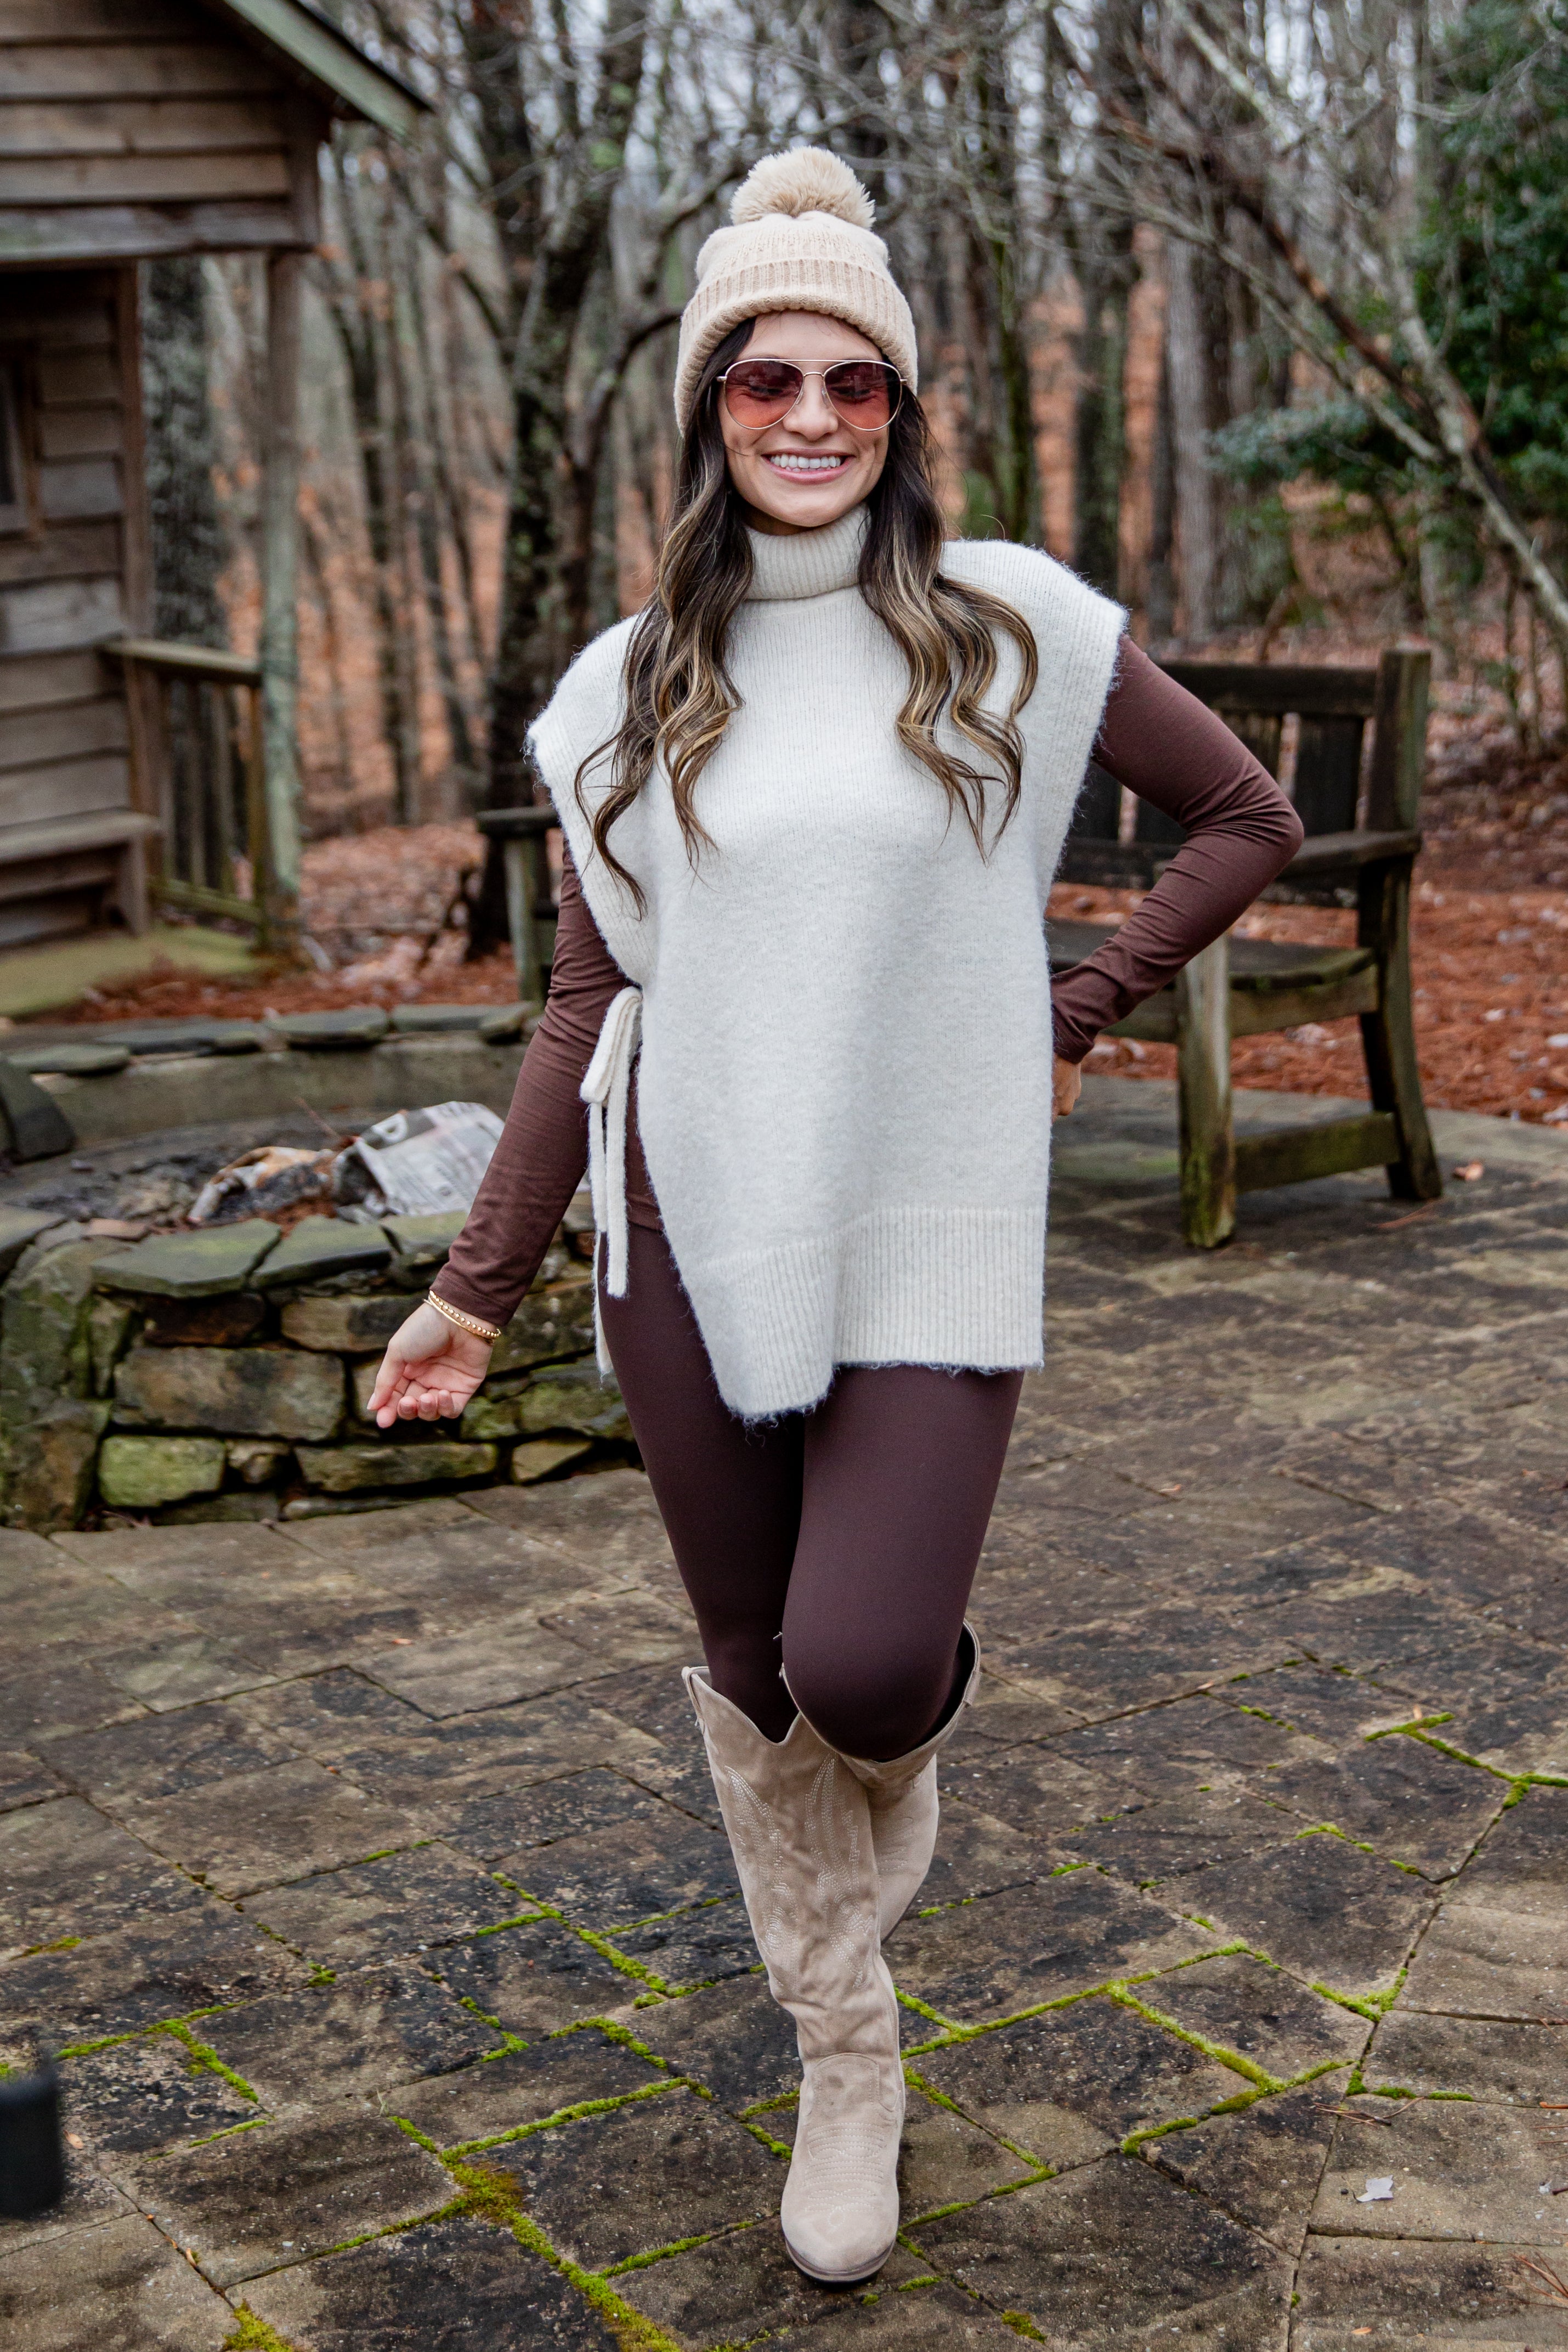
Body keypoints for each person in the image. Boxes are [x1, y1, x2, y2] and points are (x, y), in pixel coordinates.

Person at [367, 147, 1303, 2287]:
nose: (806, 414)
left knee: (861, 1673)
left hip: (921, 1227)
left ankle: (884, 1726)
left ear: (901, 408)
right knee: (744, 1667)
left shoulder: (1010, 628)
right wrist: (469, 1286)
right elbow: (584, 1000)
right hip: (682, 1227)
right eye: (760, 378)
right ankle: (845, 2052)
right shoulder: (623, 693)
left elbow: (1246, 816)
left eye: (850, 381)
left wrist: (1081, 1003)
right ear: (706, 410)